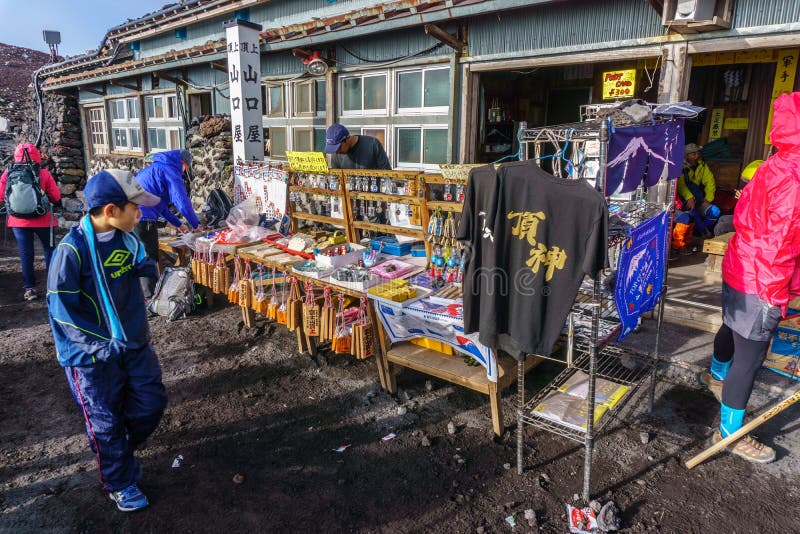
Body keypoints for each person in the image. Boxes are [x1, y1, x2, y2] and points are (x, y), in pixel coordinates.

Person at [47, 169, 166, 511]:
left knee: (151, 402)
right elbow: (62, 312)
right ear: (112, 211)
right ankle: (120, 480)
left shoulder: (128, 240)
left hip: (132, 343)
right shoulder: (72, 252)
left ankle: (116, 449)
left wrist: (149, 273)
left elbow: (141, 263)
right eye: (135, 208)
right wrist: (101, 348)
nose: (141, 214)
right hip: (90, 358)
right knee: (105, 419)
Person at [698, 92, 800, 464]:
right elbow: (782, 241)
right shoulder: (794, 175)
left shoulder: (773, 165)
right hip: (763, 276)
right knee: (751, 356)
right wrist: (776, 295)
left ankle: (715, 375)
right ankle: (730, 434)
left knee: (733, 326)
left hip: (742, 263)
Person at [134, 148, 200, 298]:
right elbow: (182, 202)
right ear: (182, 163)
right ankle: (150, 298)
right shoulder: (170, 170)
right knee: (148, 257)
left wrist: (179, 224)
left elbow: (161, 207)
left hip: (132, 215)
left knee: (142, 254)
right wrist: (195, 225)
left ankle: (147, 294)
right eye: (186, 168)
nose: (184, 172)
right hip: (142, 217)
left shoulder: (157, 168)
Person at [0, 143, 61, 301]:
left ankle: (30, 289)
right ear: (37, 155)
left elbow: (1, 197)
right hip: (43, 220)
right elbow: (56, 197)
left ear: (16, 156)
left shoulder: (8, 173)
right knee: (49, 251)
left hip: (18, 221)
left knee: (26, 254)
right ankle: (52, 286)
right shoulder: (43, 173)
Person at [676, 143, 720, 237]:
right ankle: (703, 231)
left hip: (699, 199)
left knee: (715, 211)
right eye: (693, 154)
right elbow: (680, 185)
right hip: (684, 201)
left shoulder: (702, 165)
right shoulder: (680, 167)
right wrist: (689, 198)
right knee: (692, 213)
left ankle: (697, 232)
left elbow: (710, 182)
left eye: (698, 153)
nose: (697, 155)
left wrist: (708, 199)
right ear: (686, 156)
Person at [713, 159, 762, 236]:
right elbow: (742, 210)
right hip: (745, 218)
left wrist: (743, 198)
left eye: (750, 181)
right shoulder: (752, 189)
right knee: (722, 218)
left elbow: (756, 212)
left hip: (752, 224)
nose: (748, 183)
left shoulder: (764, 193)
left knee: (720, 227)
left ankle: (721, 246)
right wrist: (741, 198)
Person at [324, 124, 391, 170]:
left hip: (373, 190)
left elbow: (387, 172)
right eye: (333, 149)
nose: (337, 152)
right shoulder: (336, 155)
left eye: (338, 148)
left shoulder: (373, 144)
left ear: (347, 138)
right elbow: (336, 179)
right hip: (347, 190)